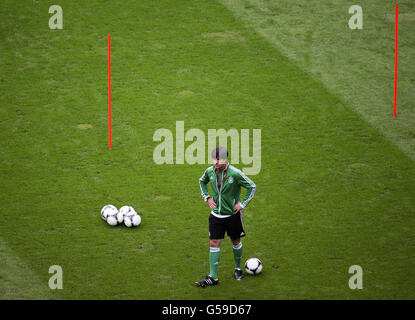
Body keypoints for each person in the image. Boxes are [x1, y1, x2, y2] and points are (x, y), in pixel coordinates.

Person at [195, 146, 256, 288]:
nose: (215, 162)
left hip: (232, 216)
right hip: (216, 216)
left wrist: (242, 204)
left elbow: (252, 187)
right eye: (214, 159)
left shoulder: (235, 174)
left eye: (219, 159)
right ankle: (213, 277)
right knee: (213, 243)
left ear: (225, 159)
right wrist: (207, 197)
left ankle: (238, 269)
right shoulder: (210, 171)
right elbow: (201, 181)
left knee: (235, 241)